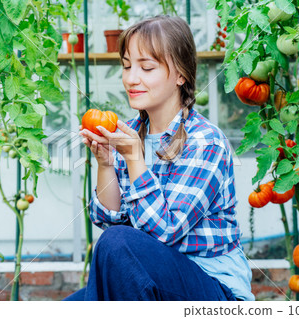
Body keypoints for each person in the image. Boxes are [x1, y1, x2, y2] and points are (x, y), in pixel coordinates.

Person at [65, 15, 254, 301]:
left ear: (180, 75)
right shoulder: (130, 133)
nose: (131, 78)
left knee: (116, 243)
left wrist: (134, 160)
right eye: (127, 66)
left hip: (213, 288)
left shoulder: (205, 141)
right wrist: (105, 162)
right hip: (148, 279)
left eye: (147, 67)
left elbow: (165, 232)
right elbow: (108, 219)